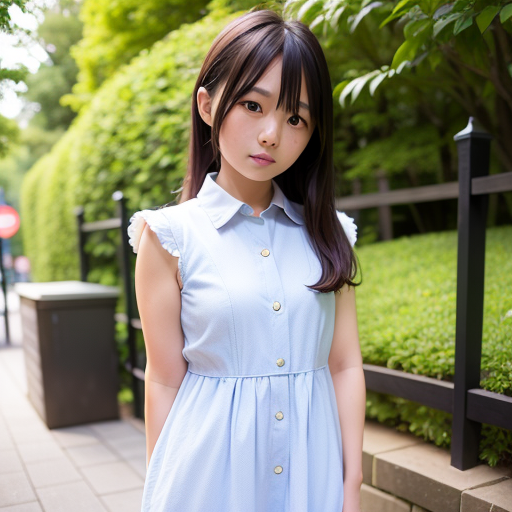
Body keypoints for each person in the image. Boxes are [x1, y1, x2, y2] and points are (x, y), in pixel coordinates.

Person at [127, 8, 365, 512]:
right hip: (209, 477)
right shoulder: (170, 238)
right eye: (254, 106)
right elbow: (165, 377)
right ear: (208, 105)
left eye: (295, 117)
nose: (272, 134)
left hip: (312, 471)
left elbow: (343, 364)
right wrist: (160, 486)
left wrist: (352, 480)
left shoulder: (328, 233)